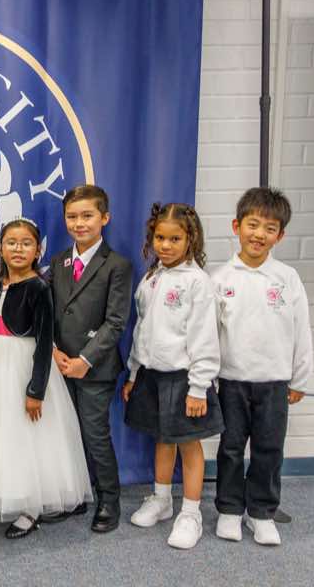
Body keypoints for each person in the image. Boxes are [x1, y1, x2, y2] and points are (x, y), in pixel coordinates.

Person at [0, 217, 94, 539]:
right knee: (2, 433)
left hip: (22, 368)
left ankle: (31, 507)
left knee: (25, 435)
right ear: (0, 248)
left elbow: (44, 343)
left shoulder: (39, 288)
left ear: (37, 250)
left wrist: (36, 390)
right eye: (11, 243)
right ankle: (7, 493)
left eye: (26, 243)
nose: (18, 249)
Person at [211, 188, 313, 546]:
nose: (259, 234)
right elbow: (210, 335)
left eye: (269, 229)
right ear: (236, 226)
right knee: (230, 447)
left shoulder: (287, 278)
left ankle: (261, 512)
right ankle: (229, 509)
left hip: (274, 382)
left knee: (269, 448)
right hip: (232, 381)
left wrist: (299, 378)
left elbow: (301, 330)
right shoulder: (220, 279)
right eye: (252, 225)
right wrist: (208, 379)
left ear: (280, 236)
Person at [123, 203, 224, 550]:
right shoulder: (151, 278)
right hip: (152, 374)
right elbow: (141, 331)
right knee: (162, 438)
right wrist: (134, 372)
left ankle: (191, 513)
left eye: (174, 239)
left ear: (190, 239)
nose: (165, 245)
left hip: (185, 379)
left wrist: (199, 387)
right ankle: (162, 498)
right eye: (159, 238)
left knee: (188, 443)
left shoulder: (198, 283)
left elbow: (205, 338)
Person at [47, 185, 133, 533]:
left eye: (87, 216)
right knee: (66, 433)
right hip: (60, 364)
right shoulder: (58, 262)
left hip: (94, 368)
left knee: (95, 434)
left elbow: (116, 322)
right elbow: (49, 312)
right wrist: (54, 350)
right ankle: (76, 495)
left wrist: (85, 359)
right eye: (72, 216)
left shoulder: (117, 265)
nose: (79, 223)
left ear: (104, 218)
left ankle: (109, 499)